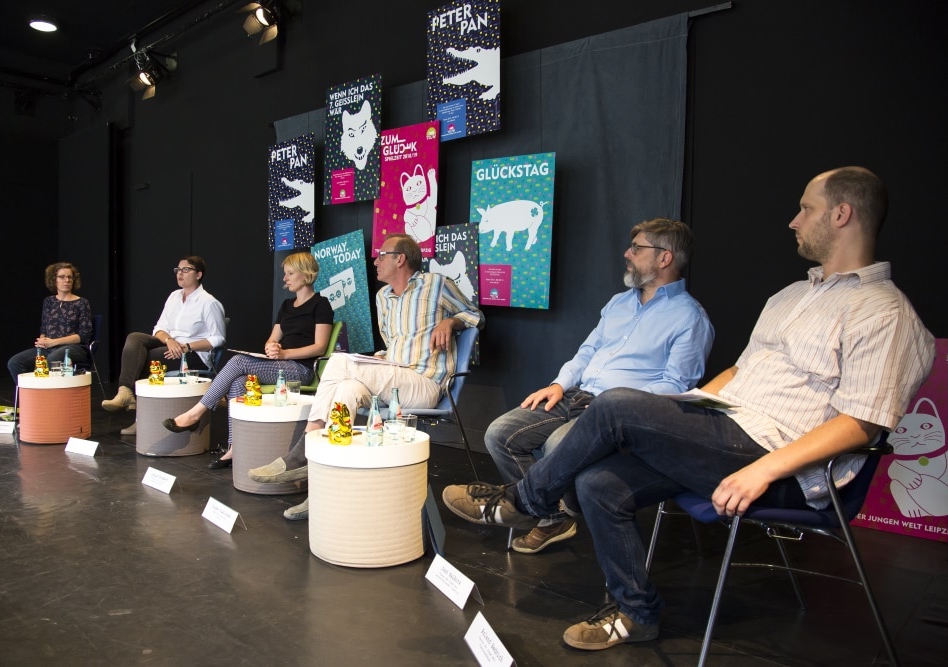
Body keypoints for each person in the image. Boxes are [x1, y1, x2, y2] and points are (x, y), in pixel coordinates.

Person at [442, 167, 935, 652]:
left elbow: (862, 423)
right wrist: (672, 416)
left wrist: (762, 469)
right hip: (724, 429)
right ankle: (635, 613)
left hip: (780, 458)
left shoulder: (884, 312)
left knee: (615, 406)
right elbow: (736, 375)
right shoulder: (790, 296)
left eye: (807, 208)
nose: (794, 220)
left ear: (842, 214)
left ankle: (522, 503)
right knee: (599, 483)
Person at [485, 218, 713, 554]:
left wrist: (619, 403)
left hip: (622, 413)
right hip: (577, 396)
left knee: (558, 446)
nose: (627, 253)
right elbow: (588, 352)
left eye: (637, 248)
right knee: (499, 434)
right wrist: (559, 384)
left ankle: (547, 506)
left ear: (665, 258)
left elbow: (677, 385)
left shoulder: (690, 318)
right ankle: (553, 517)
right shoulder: (619, 303)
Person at [249, 233, 484, 520]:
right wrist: (380, 358)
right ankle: (323, 491)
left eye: (381, 254)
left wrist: (450, 320)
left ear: (400, 258)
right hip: (394, 375)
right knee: (346, 388)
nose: (375, 260)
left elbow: (476, 316)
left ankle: (304, 449)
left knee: (337, 361)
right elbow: (393, 343)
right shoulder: (383, 297)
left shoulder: (435, 284)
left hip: (425, 382)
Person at [162, 251, 333, 469]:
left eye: (290, 273)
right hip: (280, 364)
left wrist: (285, 354)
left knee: (238, 362)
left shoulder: (321, 305)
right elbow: (272, 339)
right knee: (238, 382)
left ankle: (196, 413)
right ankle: (235, 448)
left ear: (305, 275)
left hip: (301, 368)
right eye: (285, 273)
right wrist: (272, 347)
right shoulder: (287, 306)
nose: (285, 278)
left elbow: (319, 346)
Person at [102, 255, 226, 436]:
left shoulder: (209, 302)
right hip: (170, 344)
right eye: (177, 270)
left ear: (198, 274)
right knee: (134, 338)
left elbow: (218, 339)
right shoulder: (174, 297)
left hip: (192, 355)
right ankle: (125, 391)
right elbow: (159, 328)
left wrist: (187, 347)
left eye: (186, 270)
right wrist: (169, 340)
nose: (180, 274)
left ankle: (140, 419)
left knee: (145, 359)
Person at [7, 262, 93, 384]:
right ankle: (31, 397)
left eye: (70, 277)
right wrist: (43, 340)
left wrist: (54, 342)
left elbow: (83, 336)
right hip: (49, 347)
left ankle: (50, 397)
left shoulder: (82, 303)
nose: (67, 280)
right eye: (62, 277)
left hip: (74, 348)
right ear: (54, 280)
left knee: (53, 358)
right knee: (15, 362)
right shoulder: (49, 302)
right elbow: (44, 329)